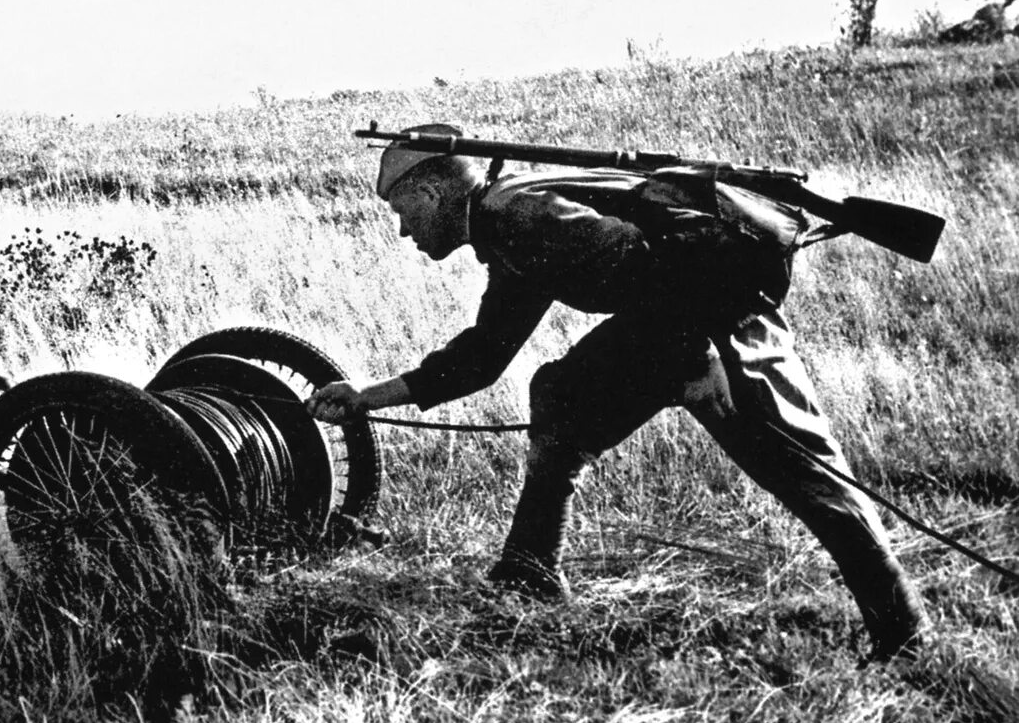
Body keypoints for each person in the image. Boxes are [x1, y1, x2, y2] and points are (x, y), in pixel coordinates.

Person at [305, 124, 930, 662]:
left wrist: (695, 361)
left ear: (433, 192)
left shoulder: (514, 216)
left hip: (711, 318)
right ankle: (529, 573)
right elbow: (483, 358)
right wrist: (365, 396)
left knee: (800, 469)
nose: (404, 231)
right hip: (700, 317)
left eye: (401, 212)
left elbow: (641, 260)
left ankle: (906, 634)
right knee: (565, 396)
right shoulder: (508, 229)